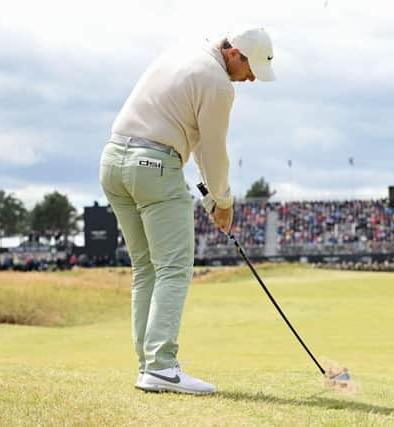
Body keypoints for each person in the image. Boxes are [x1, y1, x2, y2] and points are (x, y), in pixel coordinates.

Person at [99, 28, 276, 394]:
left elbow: (193, 141)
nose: (252, 78)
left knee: (146, 268)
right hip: (153, 164)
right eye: (251, 69)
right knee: (174, 267)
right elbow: (214, 151)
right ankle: (161, 366)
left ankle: (149, 365)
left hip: (113, 161)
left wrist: (213, 198)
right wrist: (224, 203)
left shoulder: (185, 51)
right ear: (236, 54)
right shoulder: (218, 84)